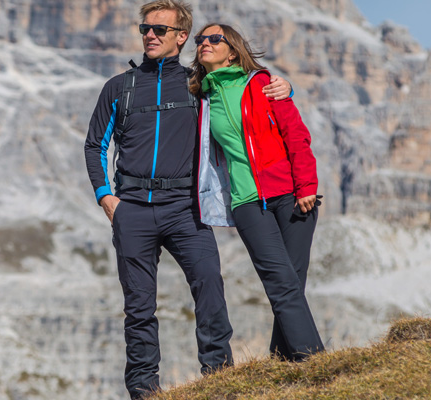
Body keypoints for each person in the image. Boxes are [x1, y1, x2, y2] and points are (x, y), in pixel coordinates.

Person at [83, 2, 292, 398]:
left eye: (160, 29)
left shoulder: (200, 84)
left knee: (210, 285)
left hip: (185, 210)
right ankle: (144, 390)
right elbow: (95, 145)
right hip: (132, 211)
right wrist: (106, 198)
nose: (150, 35)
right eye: (145, 28)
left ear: (181, 37)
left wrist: (284, 87)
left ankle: (219, 379)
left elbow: (243, 96)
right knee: (139, 308)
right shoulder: (118, 87)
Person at [191, 23, 325, 362]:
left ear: (232, 50)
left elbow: (296, 135)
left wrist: (306, 185)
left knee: (293, 282)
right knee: (280, 283)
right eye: (199, 39)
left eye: (214, 39)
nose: (204, 43)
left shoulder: (262, 84)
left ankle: (282, 359)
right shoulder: (200, 96)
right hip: (247, 203)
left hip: (291, 194)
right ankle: (315, 362)